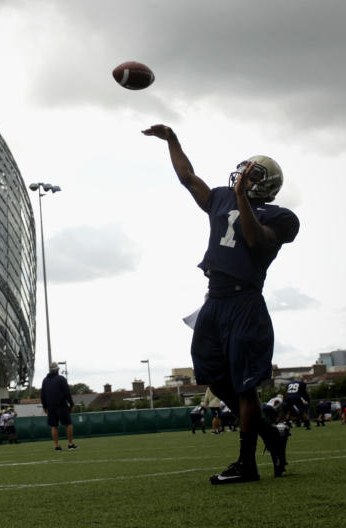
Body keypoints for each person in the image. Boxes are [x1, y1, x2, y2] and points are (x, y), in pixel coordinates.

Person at [145, 124, 299, 484]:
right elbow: (187, 177)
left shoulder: (280, 217)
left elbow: (252, 237)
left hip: (244, 302)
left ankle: (247, 464)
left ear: (266, 183)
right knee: (214, 378)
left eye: (253, 174)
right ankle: (270, 435)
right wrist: (172, 140)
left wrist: (242, 197)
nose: (243, 176)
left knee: (245, 386)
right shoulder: (221, 198)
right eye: (245, 169)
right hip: (213, 300)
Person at [41, 362, 77, 451]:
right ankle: (70, 444)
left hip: (50, 406)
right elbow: (67, 392)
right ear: (57, 369)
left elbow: (42, 395)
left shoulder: (45, 380)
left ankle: (57, 446)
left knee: (54, 426)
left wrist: (44, 407)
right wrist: (71, 404)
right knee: (68, 424)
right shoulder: (61, 379)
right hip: (61, 405)